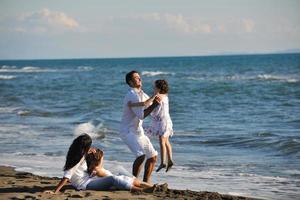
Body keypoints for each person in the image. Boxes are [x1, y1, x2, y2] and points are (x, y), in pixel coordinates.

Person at [44, 134, 153, 194]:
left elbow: (83, 155)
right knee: (113, 179)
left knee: (118, 169)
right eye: (88, 147)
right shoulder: (75, 160)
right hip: (85, 185)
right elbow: (66, 177)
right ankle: (141, 190)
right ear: (83, 148)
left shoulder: (78, 153)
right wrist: (55, 191)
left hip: (91, 178)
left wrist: (88, 151)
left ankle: (149, 186)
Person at [120, 70, 161, 183]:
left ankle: (145, 183)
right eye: (136, 78)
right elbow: (142, 115)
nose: (140, 79)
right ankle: (134, 182)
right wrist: (154, 104)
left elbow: (150, 104)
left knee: (152, 157)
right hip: (127, 131)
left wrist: (158, 99)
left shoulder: (142, 94)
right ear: (130, 82)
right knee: (141, 155)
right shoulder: (132, 95)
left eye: (139, 77)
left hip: (138, 132)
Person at [128, 79, 174, 172]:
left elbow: (146, 104)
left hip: (162, 121)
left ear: (158, 88)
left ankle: (163, 162)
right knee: (166, 141)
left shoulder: (157, 96)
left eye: (155, 87)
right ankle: (170, 160)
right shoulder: (165, 96)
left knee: (162, 140)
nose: (153, 88)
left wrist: (132, 105)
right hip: (166, 120)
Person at [85, 148, 156, 192]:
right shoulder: (98, 170)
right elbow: (109, 178)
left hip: (118, 179)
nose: (103, 160)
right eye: (102, 159)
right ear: (98, 161)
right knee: (138, 182)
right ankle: (152, 187)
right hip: (119, 180)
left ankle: (153, 187)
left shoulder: (94, 168)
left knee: (137, 182)